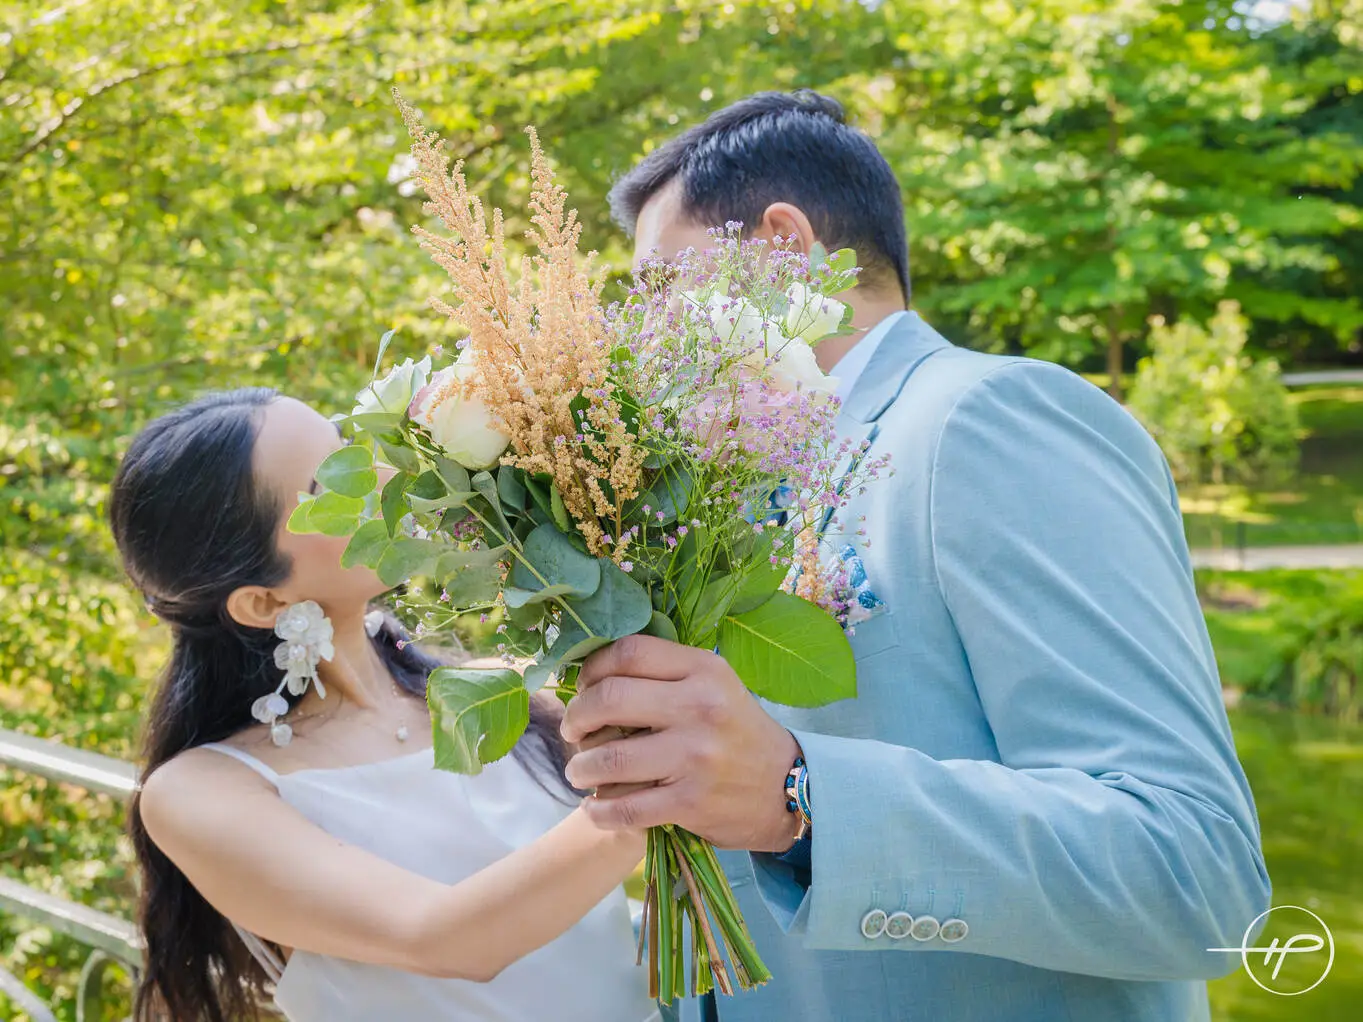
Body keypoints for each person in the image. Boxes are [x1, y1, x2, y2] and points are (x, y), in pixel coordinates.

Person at [559, 91, 1271, 1021]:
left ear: (781, 247)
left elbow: (1195, 874)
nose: (640, 341)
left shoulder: (984, 419)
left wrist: (796, 794)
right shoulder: (728, 498)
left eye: (658, 290)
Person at [110, 388, 658, 1022]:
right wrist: (647, 797)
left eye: (350, 449)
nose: (374, 476)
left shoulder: (502, 686)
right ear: (262, 601)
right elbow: (445, 937)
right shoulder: (200, 791)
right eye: (322, 486)